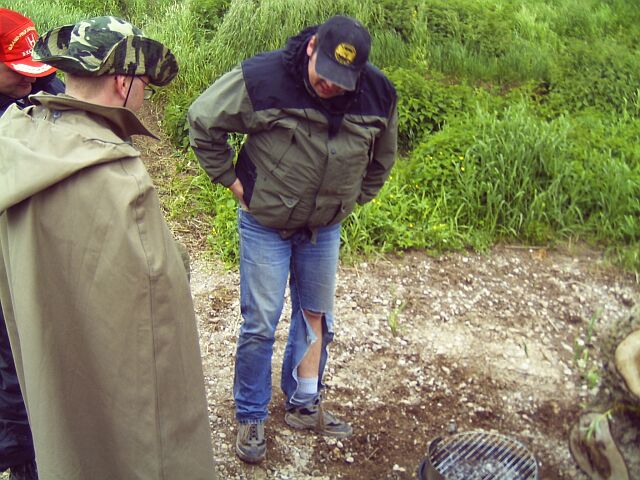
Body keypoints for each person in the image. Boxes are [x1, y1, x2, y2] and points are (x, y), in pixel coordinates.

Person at [0, 16, 216, 480]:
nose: (144, 94)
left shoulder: (17, 137)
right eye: (144, 83)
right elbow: (155, 321)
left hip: (36, 372)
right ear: (123, 82)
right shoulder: (119, 181)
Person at [188, 14, 398, 464]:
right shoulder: (264, 78)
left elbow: (383, 158)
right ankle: (250, 414)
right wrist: (233, 183)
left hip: (323, 228)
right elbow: (204, 120)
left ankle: (304, 404)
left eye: (342, 81)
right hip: (265, 222)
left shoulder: (378, 93)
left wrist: (351, 199)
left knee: (316, 317)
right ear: (312, 47)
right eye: (325, 74)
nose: (330, 86)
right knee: (261, 322)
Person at [0, 8, 64, 480]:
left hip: (37, 247)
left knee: (35, 352)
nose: (30, 80)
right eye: (16, 71)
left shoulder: (42, 90)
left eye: (34, 70)